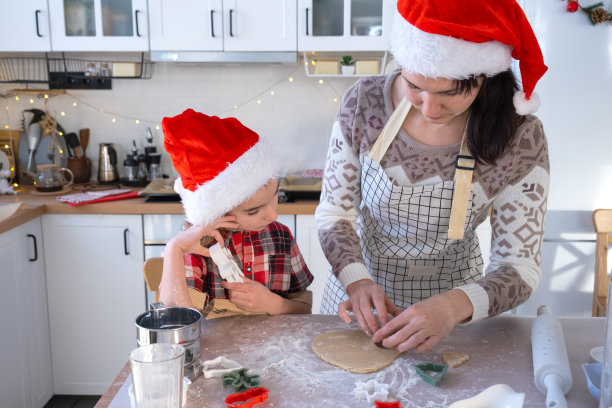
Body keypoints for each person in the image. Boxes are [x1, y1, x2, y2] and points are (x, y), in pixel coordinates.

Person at [315, 0, 550, 352]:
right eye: (414, 86)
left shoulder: (520, 137)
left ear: (485, 77)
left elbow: (519, 267)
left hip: (455, 316)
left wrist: (454, 306)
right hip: (358, 307)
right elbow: (335, 213)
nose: (427, 108)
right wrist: (356, 283)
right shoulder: (364, 102)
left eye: (449, 93)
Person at [159, 109, 314, 315]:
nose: (273, 216)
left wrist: (273, 304)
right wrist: (174, 249)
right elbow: (177, 321)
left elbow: (304, 310)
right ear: (218, 212)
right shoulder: (196, 246)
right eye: (253, 211)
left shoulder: (281, 237)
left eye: (276, 195)